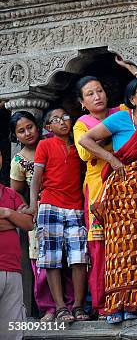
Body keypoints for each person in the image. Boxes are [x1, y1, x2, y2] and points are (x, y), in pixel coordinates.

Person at [78, 77, 137, 323]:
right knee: (119, 248)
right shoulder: (121, 119)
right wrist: (112, 159)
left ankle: (136, 304)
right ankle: (115, 306)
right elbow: (86, 140)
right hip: (122, 190)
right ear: (132, 99)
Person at [72, 57, 137, 315]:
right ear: (82, 103)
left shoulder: (121, 111)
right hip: (98, 189)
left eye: (99, 90)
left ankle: (126, 299)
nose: (97, 96)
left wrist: (132, 69)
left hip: (125, 185)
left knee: (125, 242)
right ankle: (101, 304)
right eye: (90, 94)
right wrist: (110, 142)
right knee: (100, 247)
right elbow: (83, 152)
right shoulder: (82, 125)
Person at [9, 111, 74, 321]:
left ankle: (71, 305)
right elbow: (16, 190)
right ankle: (49, 308)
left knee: (67, 257)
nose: (28, 133)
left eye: (30, 127)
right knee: (42, 260)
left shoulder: (54, 143)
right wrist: (28, 207)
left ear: (39, 126)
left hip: (67, 205)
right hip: (40, 212)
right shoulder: (19, 160)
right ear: (15, 136)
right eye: (21, 131)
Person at [25, 107, 88, 322]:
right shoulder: (45, 144)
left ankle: (78, 306)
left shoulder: (79, 145)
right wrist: (34, 205)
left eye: (66, 117)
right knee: (52, 259)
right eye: (56, 119)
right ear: (48, 127)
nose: (62, 122)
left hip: (76, 206)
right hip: (50, 205)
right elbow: (36, 178)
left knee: (79, 258)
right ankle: (60, 307)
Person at [0, 151, 34, 339]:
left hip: (13, 271)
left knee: (12, 333)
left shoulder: (11, 194)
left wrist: (6, 212)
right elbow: (21, 221)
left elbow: (28, 224)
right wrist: (14, 219)